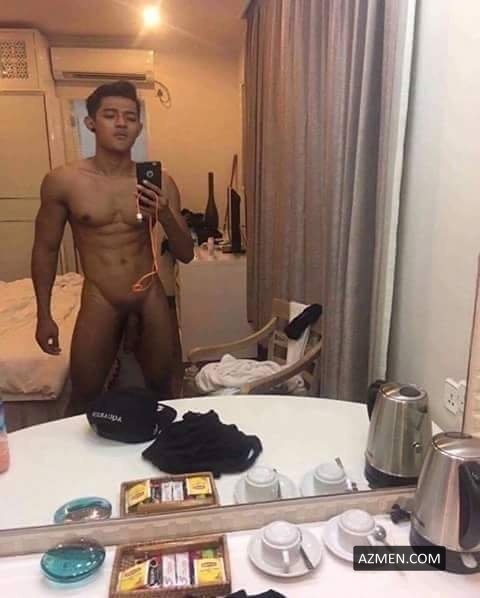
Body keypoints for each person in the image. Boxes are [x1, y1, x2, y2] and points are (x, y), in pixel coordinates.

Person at [31, 80, 194, 415]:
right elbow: (46, 249)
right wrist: (44, 314)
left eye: (130, 117)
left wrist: (164, 213)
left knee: (164, 392)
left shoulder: (160, 182)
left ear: (139, 127)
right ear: (91, 122)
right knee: (84, 396)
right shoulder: (64, 181)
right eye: (110, 115)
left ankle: (163, 447)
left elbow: (186, 253)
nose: (121, 123)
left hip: (149, 293)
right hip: (100, 295)